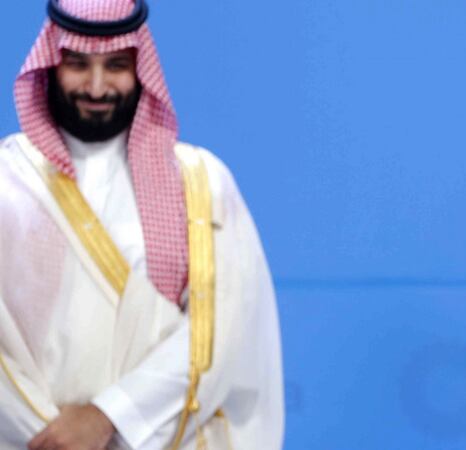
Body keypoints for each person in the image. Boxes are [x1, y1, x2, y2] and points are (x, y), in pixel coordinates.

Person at [0, 1, 284, 449]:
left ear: (140, 69)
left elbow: (221, 329)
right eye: (77, 64)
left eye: (116, 65)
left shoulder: (201, 183)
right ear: (51, 65)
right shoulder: (6, 181)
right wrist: (48, 437)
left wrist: (108, 418)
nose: (96, 86)